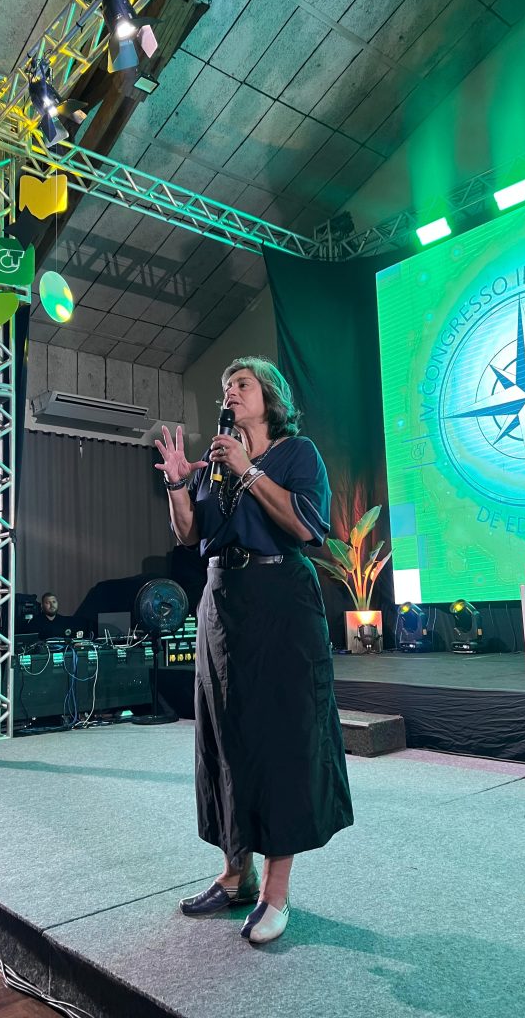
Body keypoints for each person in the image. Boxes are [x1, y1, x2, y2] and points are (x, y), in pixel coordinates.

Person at [154, 356, 353, 945]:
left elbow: (305, 526)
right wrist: (177, 483)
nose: (230, 393)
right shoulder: (216, 461)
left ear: (270, 395)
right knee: (225, 736)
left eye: (241, 384)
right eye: (225, 387)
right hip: (222, 603)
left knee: (280, 739)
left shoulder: (297, 454)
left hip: (279, 601)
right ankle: (234, 876)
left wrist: (247, 469)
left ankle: (275, 892)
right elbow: (189, 534)